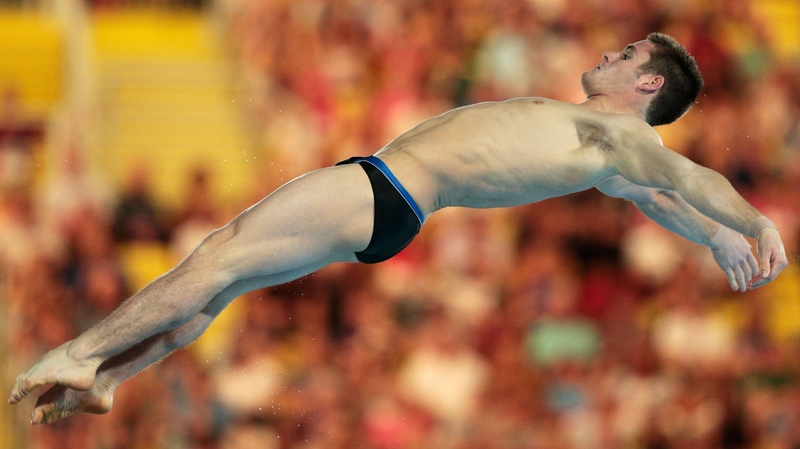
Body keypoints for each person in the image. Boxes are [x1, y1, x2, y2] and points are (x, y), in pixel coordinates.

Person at [9, 33, 788, 424]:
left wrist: (753, 223)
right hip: (391, 207)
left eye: (626, 55)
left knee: (217, 257)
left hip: (384, 191)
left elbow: (684, 178)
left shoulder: (622, 137)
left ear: (647, 83)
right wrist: (711, 237)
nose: (609, 53)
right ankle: (111, 378)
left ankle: (81, 353)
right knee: (225, 285)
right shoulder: (598, 145)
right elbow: (657, 200)